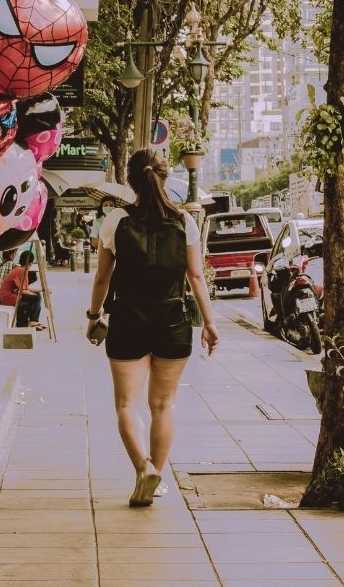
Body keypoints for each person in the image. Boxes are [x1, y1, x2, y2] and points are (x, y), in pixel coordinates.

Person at [85, 150, 219, 507]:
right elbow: (195, 276)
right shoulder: (184, 221)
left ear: (131, 180)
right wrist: (209, 322)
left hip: (128, 319)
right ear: (164, 177)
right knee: (163, 405)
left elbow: (102, 277)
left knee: (127, 404)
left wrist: (93, 316)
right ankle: (156, 477)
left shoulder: (115, 220)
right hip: (173, 320)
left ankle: (144, 468)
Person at [0, 250, 43, 327]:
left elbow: (26, 288)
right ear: (30, 263)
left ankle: (25, 322)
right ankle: (33, 321)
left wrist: (42, 290)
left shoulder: (19, 269)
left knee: (35, 295)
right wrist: (32, 294)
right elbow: (22, 291)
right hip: (9, 298)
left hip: (8, 296)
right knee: (37, 298)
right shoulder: (22, 271)